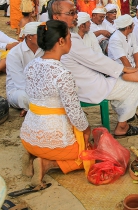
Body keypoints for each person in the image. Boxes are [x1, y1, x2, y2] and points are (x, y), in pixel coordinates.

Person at [50, 0, 138, 137]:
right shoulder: (68, 38)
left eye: (76, 12)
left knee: (122, 81)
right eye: (72, 13)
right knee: (134, 87)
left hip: (81, 80)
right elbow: (94, 59)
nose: (75, 17)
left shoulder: (51, 33)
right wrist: (123, 69)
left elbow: (95, 57)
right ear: (56, 17)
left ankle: (124, 114)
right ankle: (122, 126)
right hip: (84, 86)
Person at [20, 20, 91, 186]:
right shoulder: (62, 73)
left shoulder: (31, 65)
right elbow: (75, 114)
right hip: (52, 142)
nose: (71, 41)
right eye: (69, 37)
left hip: (28, 137)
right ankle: (46, 164)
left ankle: (31, 155)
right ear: (61, 41)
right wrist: (87, 130)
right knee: (88, 154)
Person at [6, 22, 44, 112]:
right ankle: (34, 109)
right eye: (40, 35)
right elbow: (20, 83)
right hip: (19, 90)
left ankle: (32, 109)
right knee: (24, 97)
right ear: (29, 37)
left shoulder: (45, 49)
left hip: (42, 88)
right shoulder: (14, 54)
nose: (44, 38)